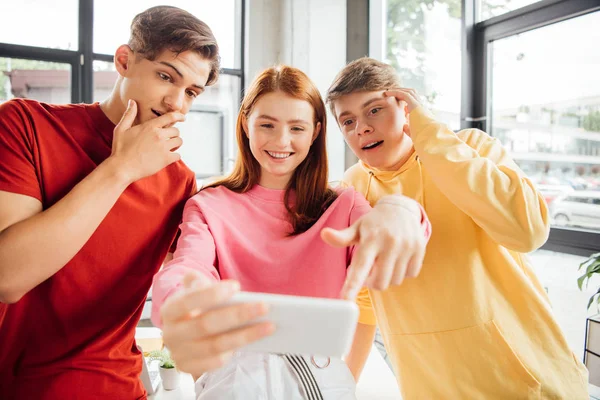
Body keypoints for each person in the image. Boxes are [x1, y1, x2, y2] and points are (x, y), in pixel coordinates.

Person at [151, 65, 431, 399]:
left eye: (296, 128)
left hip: (320, 382)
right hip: (234, 382)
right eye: (267, 125)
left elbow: (384, 239)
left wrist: (401, 209)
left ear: (314, 133)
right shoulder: (208, 204)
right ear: (245, 124)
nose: (281, 141)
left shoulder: (344, 205)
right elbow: (188, 266)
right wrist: (179, 300)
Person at [325, 57, 589, 399]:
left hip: (526, 380)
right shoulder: (352, 188)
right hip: (429, 386)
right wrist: (344, 386)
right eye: (348, 121)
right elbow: (366, 299)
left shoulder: (469, 148)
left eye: (374, 110)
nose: (361, 127)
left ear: (406, 106)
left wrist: (431, 135)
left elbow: (528, 231)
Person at [0, 6, 221, 399]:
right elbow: (7, 277)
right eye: (165, 76)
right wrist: (122, 169)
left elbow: (189, 283)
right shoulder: (24, 124)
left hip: (118, 388)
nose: (176, 103)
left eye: (191, 91)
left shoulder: (180, 181)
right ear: (124, 61)